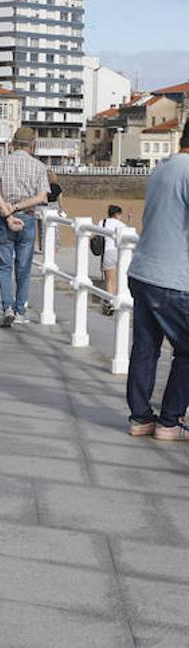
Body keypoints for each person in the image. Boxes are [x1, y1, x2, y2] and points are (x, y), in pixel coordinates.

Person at [125, 120, 189, 439]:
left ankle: (140, 418)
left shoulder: (164, 167)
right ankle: (170, 421)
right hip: (173, 280)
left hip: (143, 271)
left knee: (146, 348)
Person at [0, 126, 49, 328]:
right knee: (23, 267)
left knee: (4, 266)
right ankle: (20, 311)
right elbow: (41, 197)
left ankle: (7, 308)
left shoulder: (0, 162)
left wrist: (7, 212)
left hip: (2, 218)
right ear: (33, 144)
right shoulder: (39, 167)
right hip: (27, 219)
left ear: (13, 143)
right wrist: (17, 207)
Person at [99, 205, 125, 316]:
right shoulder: (121, 224)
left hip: (108, 251)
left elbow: (97, 235)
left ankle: (110, 304)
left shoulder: (103, 222)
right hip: (120, 252)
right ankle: (117, 302)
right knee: (116, 280)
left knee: (109, 280)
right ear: (118, 214)